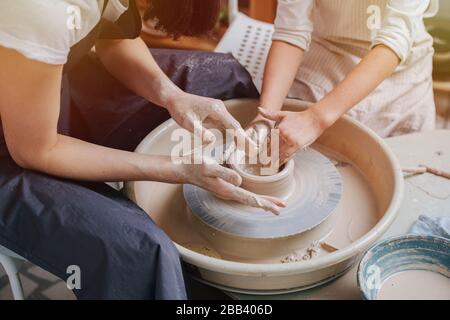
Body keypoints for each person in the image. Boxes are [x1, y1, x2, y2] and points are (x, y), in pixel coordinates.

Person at [0, 0, 283, 299]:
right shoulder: (45, 10)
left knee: (224, 79)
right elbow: (37, 150)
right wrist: (174, 169)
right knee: (140, 253)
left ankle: (200, 281)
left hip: (45, 86)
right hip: (14, 151)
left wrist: (172, 96)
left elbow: (114, 39)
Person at [250, 0, 439, 165]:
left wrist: (316, 119)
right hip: (326, 55)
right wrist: (265, 117)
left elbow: (394, 41)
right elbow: (290, 32)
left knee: (407, 167)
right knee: (293, 148)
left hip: (400, 72)